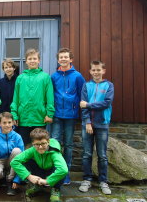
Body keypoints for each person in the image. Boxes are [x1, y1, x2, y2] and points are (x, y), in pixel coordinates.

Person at [79, 60, 114, 195]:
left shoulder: (109, 85)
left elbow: (106, 103)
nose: (96, 72)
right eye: (93, 70)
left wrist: (88, 105)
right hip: (87, 125)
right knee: (87, 154)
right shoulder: (86, 85)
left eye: (98, 70)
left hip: (102, 124)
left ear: (103, 71)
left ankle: (103, 181)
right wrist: (87, 121)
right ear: (90, 71)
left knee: (102, 155)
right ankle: (87, 179)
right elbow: (82, 105)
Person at [50, 47, 85, 185]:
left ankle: (66, 174)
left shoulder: (77, 76)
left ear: (71, 59)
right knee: (54, 143)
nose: (63, 59)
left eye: (66, 57)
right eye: (61, 57)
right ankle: (56, 171)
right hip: (57, 114)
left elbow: (83, 94)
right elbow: (50, 94)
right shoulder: (53, 76)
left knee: (69, 145)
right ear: (58, 60)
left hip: (71, 115)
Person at [10, 48, 55, 146]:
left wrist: (49, 114)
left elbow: (50, 98)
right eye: (30, 59)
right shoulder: (20, 78)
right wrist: (14, 114)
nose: (32, 61)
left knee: (39, 146)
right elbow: (15, 98)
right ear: (26, 61)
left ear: (39, 60)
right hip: (23, 119)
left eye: (34, 59)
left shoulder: (45, 77)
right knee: (23, 146)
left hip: (39, 118)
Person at [10, 128, 67, 202]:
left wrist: (47, 181)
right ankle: (38, 186)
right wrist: (29, 176)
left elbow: (64, 169)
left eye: (43, 143)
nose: (40, 147)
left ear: (48, 142)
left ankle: (56, 189)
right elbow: (14, 162)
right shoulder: (32, 150)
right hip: (40, 171)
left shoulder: (54, 152)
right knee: (27, 160)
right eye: (37, 144)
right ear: (33, 144)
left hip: (52, 173)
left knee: (61, 167)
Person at [0, 112, 24, 196]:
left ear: (13, 122)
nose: (7, 125)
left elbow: (22, 159)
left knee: (17, 151)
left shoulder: (17, 137)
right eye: (4, 122)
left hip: (13, 161)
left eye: (9, 122)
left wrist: (17, 180)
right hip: (0, 160)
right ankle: (2, 177)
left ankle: (10, 181)